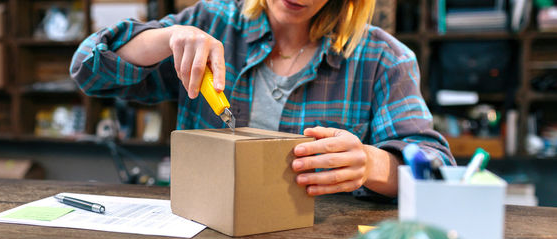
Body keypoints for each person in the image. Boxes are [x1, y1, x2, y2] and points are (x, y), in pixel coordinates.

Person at [70, 0, 455, 198]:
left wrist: (371, 163)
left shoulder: (382, 57)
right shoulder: (212, 22)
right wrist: (164, 39)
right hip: (203, 232)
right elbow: (88, 71)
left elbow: (435, 169)